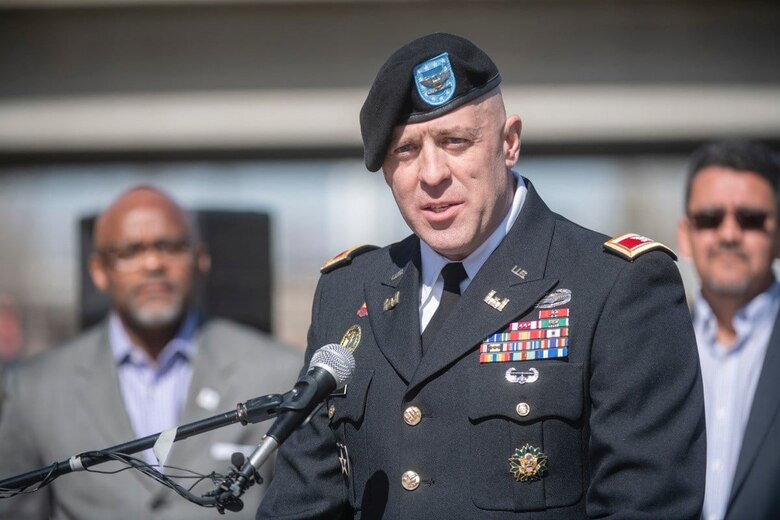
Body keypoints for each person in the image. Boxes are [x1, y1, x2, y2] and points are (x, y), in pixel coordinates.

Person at [257, 33, 705, 519]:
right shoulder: (348, 290)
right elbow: (301, 504)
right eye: (405, 151)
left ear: (509, 143)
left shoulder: (616, 286)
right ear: (386, 171)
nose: (432, 174)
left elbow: (646, 506)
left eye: (455, 142)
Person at [0, 186, 302, 519]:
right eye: (130, 250)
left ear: (201, 259)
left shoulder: (278, 373)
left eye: (170, 246)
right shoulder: (33, 389)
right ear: (99, 270)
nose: (153, 263)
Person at [676, 139, 780, 520]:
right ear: (686, 236)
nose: (729, 234)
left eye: (751, 219)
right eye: (709, 219)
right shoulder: (652, 347)